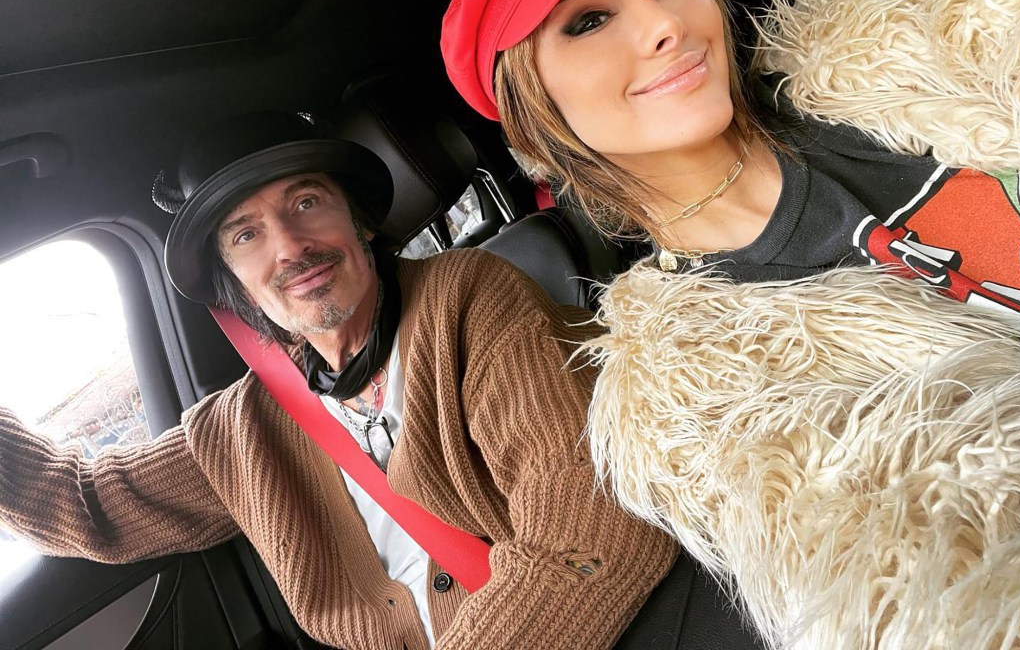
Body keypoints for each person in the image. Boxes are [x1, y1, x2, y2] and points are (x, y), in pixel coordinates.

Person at [441, 0, 1020, 648]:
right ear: (535, 109)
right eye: (589, 20)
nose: (662, 25)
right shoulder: (695, 400)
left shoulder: (919, 26)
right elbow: (927, 582)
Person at [0, 111, 679, 650]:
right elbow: (84, 506)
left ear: (358, 221)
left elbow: (589, 535)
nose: (290, 247)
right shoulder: (239, 429)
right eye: (245, 235)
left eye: (306, 201)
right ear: (234, 283)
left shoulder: (469, 300)